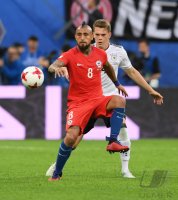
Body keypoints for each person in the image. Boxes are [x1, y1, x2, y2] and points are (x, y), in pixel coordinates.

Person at [46, 20, 164, 179]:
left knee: (122, 126)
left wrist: (150, 90)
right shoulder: (85, 49)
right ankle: (57, 165)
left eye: (102, 35)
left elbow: (132, 72)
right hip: (86, 101)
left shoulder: (118, 52)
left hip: (106, 99)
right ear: (92, 35)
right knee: (74, 138)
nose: (99, 38)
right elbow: (64, 62)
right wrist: (61, 67)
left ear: (109, 34)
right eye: (96, 35)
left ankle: (125, 169)